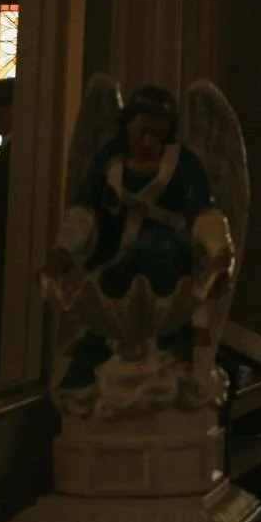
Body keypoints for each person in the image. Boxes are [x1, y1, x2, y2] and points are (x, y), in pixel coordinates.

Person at [47, 84, 230, 391]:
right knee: (101, 302)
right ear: (127, 125)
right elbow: (84, 213)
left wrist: (219, 253)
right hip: (115, 260)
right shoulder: (109, 160)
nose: (148, 141)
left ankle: (169, 355)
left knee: (154, 255)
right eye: (142, 131)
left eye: (157, 134)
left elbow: (204, 216)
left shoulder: (182, 164)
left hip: (166, 262)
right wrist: (63, 254)